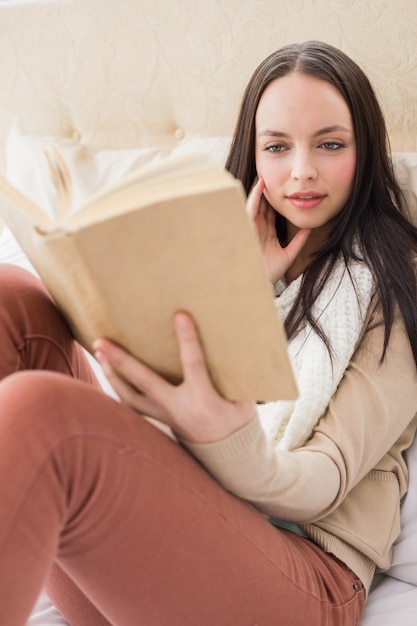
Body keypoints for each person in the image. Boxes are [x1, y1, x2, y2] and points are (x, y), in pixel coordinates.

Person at [1, 40, 417, 626]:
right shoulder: (214, 259)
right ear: (252, 155)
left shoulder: (393, 282)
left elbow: (326, 479)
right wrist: (241, 289)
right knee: (10, 298)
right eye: (277, 146)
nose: (301, 170)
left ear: (366, 150)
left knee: (39, 413)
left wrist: (232, 440)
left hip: (304, 578)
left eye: (330, 144)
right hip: (164, 553)